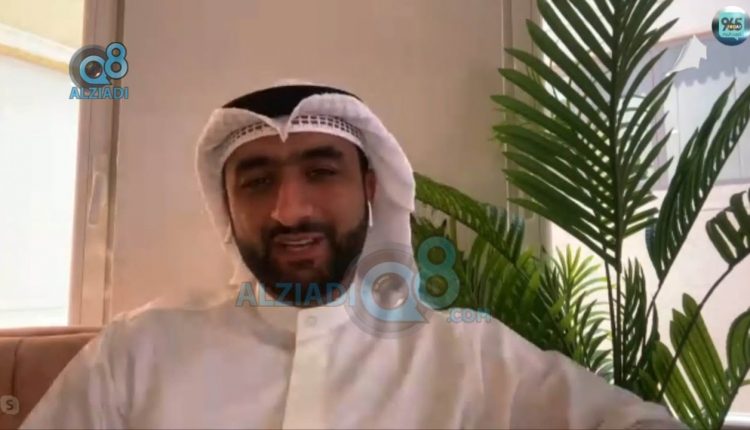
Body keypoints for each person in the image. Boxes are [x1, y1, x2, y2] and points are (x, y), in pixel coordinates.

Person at [20, 81, 685, 429]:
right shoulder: (137, 352)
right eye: (257, 180)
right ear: (226, 205)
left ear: (370, 187)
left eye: (321, 171)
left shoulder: (468, 353)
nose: (290, 210)